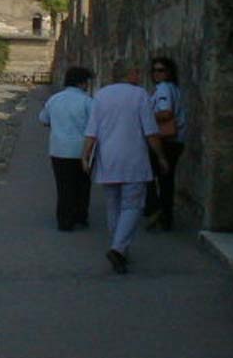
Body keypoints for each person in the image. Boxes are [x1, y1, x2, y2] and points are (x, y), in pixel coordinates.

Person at [82, 59, 170, 274]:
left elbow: (91, 131)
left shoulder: (101, 95)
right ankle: (118, 248)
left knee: (113, 204)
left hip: (108, 157)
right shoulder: (139, 95)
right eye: (137, 71)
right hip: (133, 158)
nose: (139, 75)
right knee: (132, 205)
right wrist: (160, 156)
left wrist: (84, 155)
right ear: (129, 73)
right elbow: (150, 130)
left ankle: (119, 245)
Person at [38, 66, 94, 231]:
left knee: (64, 186)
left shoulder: (54, 99)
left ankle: (64, 220)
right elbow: (95, 126)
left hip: (59, 150)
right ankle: (80, 216)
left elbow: (43, 119)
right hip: (82, 151)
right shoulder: (88, 101)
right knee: (82, 185)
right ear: (82, 83)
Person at [145, 56, 186, 231]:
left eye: (161, 70)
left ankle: (156, 210)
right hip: (175, 140)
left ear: (168, 72)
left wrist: (144, 117)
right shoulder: (173, 88)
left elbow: (166, 113)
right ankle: (164, 216)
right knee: (166, 180)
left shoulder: (163, 89)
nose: (156, 74)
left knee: (148, 175)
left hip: (165, 140)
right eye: (154, 70)